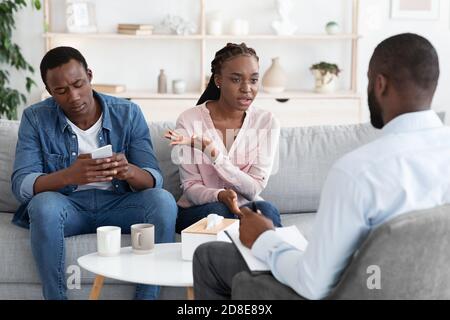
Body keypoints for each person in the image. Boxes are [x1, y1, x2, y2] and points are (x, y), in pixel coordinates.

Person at [192, 33, 450, 299]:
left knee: (209, 257)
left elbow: (313, 285)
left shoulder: (358, 172)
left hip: (354, 292)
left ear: (380, 85)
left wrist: (264, 238)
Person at [11, 46, 177, 300]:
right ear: (49, 91)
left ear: (89, 75)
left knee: (163, 201)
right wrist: (70, 175)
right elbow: (22, 184)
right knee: (43, 205)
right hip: (68, 208)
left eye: (78, 84)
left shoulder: (128, 113)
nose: (74, 96)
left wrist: (128, 171)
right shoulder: (35, 118)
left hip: (120, 205)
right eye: (61, 91)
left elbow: (153, 178)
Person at [164, 43, 282, 233]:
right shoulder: (189, 120)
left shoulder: (266, 122)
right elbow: (191, 188)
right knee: (221, 211)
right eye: (236, 80)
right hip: (198, 209)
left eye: (253, 80)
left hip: (245, 205)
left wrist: (215, 155)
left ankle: (272, 261)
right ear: (218, 80)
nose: (247, 88)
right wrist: (220, 195)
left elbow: (253, 190)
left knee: (267, 211)